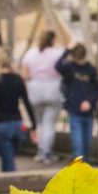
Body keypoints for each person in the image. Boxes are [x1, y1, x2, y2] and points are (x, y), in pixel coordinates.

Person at [21, 29, 67, 164]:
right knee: (49, 123)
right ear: (52, 40)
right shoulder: (58, 53)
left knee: (39, 122)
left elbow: (25, 74)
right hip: (53, 88)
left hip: (35, 88)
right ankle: (47, 152)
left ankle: (40, 150)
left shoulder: (30, 53)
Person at [60, 44, 98, 163]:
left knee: (87, 141)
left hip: (88, 111)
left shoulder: (91, 70)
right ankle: (78, 165)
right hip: (74, 109)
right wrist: (67, 51)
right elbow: (58, 66)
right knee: (77, 142)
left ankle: (85, 164)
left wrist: (90, 101)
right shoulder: (69, 68)